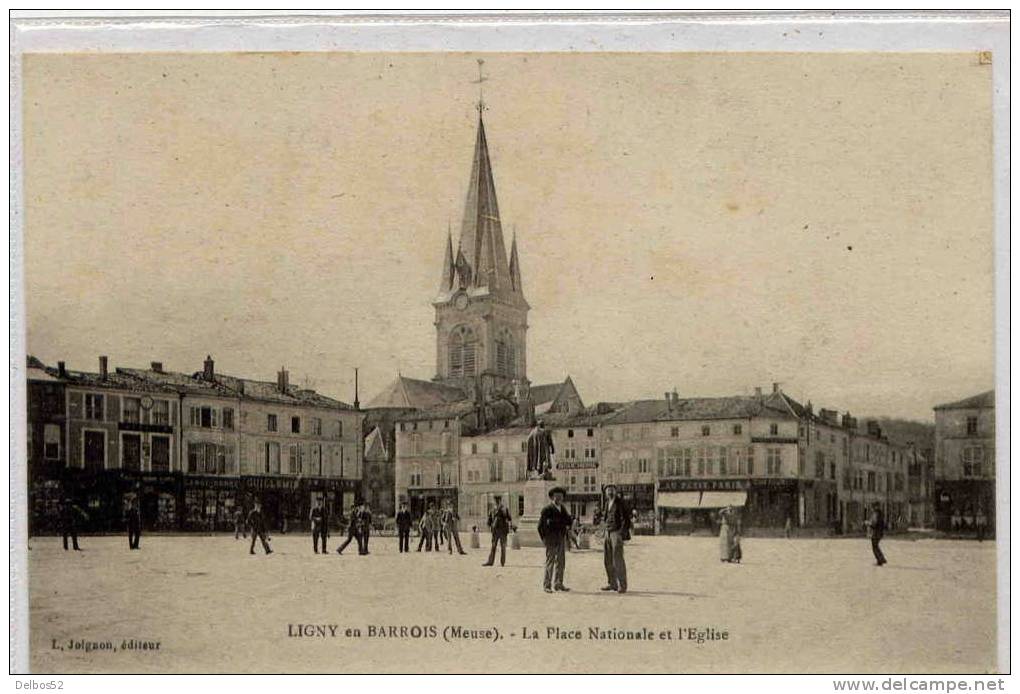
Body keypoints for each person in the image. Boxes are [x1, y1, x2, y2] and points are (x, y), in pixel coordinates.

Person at [538, 486, 573, 593]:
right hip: (551, 539)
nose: (559, 499)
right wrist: (544, 539)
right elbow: (540, 526)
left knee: (561, 562)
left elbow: (568, 521)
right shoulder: (547, 510)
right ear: (552, 497)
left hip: (561, 538)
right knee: (550, 562)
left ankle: (558, 583)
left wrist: (570, 522)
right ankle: (547, 585)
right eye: (556, 496)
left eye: (561, 497)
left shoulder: (563, 509)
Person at [600, 484, 630, 593]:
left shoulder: (620, 502)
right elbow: (605, 518)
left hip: (616, 533)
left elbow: (626, 520)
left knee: (617, 560)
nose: (610, 492)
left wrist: (620, 534)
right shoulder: (607, 503)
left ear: (615, 491)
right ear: (605, 493)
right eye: (608, 491)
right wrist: (603, 531)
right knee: (607, 560)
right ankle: (612, 584)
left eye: (612, 490)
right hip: (608, 533)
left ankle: (622, 585)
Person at [483, 496, 513, 567]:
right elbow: (490, 520)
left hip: (503, 531)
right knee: (493, 546)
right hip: (495, 531)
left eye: (498, 501)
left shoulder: (504, 509)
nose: (496, 502)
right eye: (495, 501)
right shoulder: (492, 510)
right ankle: (490, 562)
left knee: (503, 547)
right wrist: (489, 526)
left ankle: (502, 562)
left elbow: (509, 518)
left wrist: (503, 512)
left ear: (500, 501)